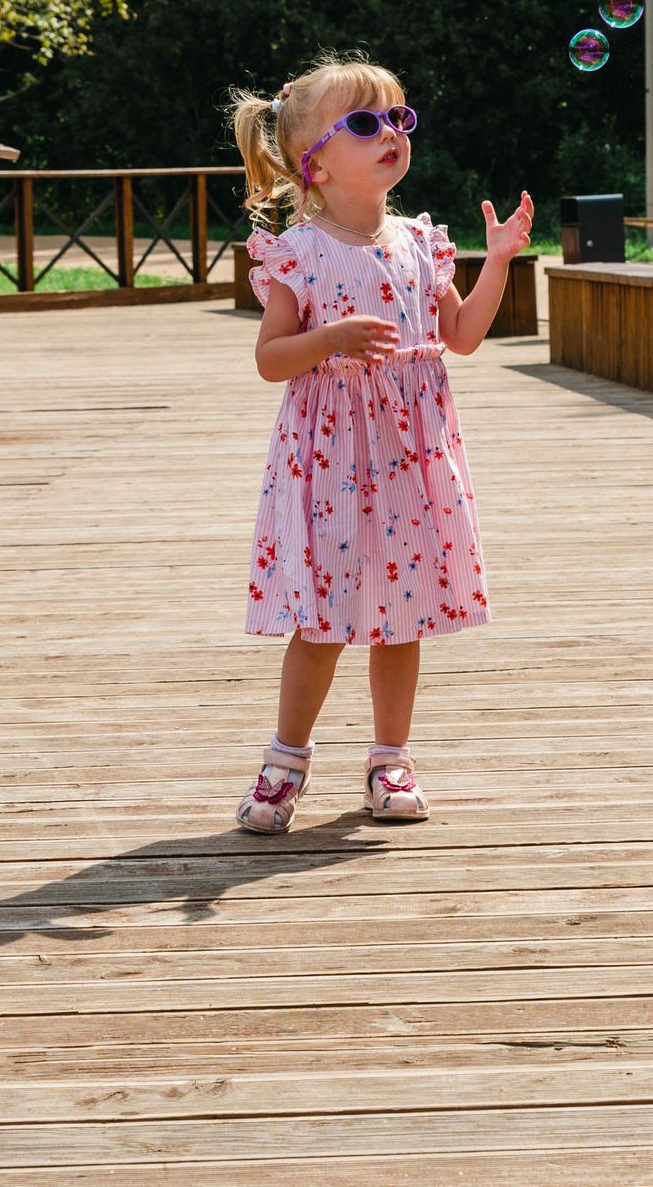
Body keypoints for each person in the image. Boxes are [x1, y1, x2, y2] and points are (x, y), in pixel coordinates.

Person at [226, 54, 533, 832]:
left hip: (408, 456)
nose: (391, 132)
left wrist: (498, 263)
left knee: (405, 613)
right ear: (317, 164)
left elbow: (461, 334)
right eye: (366, 123)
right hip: (331, 458)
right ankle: (285, 762)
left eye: (400, 118)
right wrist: (327, 339)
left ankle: (390, 759)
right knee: (322, 620)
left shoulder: (420, 242)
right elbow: (270, 359)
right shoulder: (299, 251)